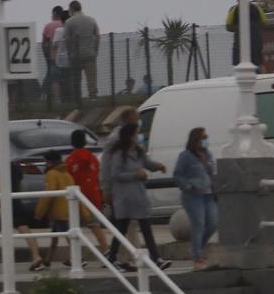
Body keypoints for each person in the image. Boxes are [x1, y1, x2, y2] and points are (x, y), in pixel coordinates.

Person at [101, 112, 166, 270]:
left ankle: (156, 258)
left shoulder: (138, 151)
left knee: (145, 227)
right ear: (130, 136)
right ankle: (112, 257)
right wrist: (134, 175)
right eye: (136, 134)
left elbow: (148, 163)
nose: (138, 137)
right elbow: (115, 174)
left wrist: (158, 166)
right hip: (124, 197)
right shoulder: (118, 153)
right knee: (122, 229)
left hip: (137, 195)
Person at [62, 128, 109, 263]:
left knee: (70, 227)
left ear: (72, 142)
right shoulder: (93, 159)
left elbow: (68, 180)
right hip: (94, 196)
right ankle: (107, 253)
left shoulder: (70, 160)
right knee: (95, 226)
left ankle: (76, 256)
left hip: (77, 199)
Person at [174, 126, 218, 268]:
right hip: (193, 196)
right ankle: (197, 256)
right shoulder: (186, 156)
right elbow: (178, 174)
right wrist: (188, 186)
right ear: (195, 140)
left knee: (213, 223)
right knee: (198, 224)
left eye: (206, 138)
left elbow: (213, 172)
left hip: (209, 194)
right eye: (203, 138)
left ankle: (196, 248)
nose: (206, 141)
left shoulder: (209, 154)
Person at [34, 151, 74, 270]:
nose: (45, 164)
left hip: (58, 211)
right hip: (67, 209)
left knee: (68, 236)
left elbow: (48, 195)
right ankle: (47, 260)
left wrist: (39, 213)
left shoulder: (51, 174)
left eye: (46, 161)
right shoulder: (67, 173)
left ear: (50, 161)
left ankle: (78, 258)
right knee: (55, 236)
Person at [63, 1, 100, 101]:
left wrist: (70, 52)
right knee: (91, 78)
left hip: (76, 55)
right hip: (90, 53)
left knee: (76, 79)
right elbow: (97, 35)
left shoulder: (69, 22)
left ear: (71, 9)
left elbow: (67, 39)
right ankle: (93, 96)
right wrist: (95, 50)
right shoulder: (91, 20)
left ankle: (77, 98)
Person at [226, 0, 266, 67]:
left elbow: (229, 27)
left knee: (240, 66)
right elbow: (264, 23)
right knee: (257, 65)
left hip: (243, 44)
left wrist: (240, 28)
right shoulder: (256, 8)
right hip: (251, 43)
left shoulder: (234, 9)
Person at [41, 8, 65, 107]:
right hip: (64, 55)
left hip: (51, 55)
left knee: (50, 76)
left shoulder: (48, 26)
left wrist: (46, 54)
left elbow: (43, 42)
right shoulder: (65, 25)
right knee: (64, 77)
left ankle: (44, 95)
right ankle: (64, 97)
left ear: (54, 14)